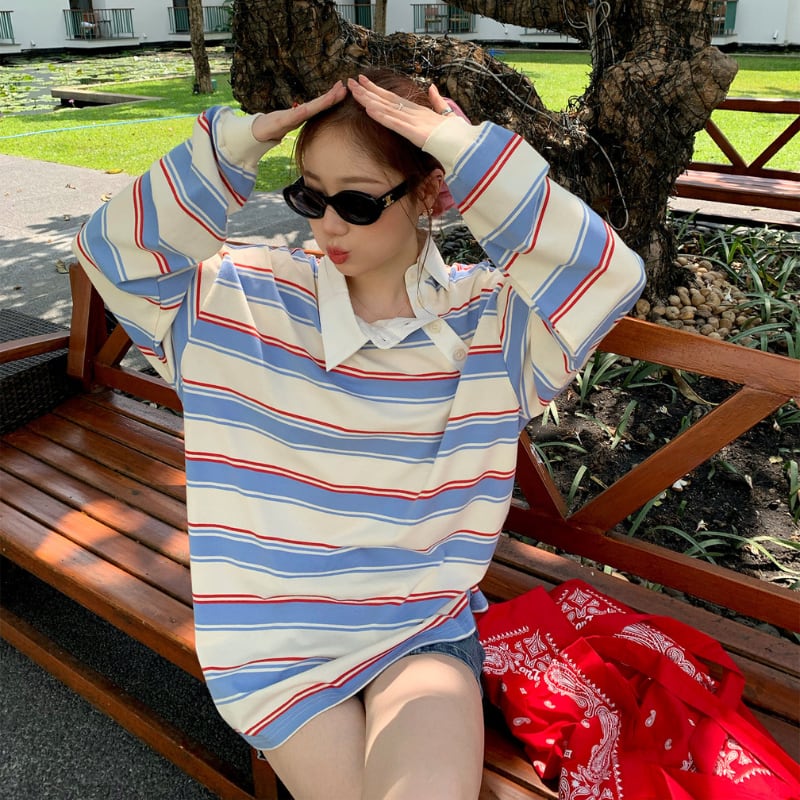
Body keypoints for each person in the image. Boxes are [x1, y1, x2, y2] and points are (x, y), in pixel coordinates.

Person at [73, 68, 645, 800]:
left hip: (418, 626)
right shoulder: (237, 303)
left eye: (357, 201)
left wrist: (467, 153)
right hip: (274, 639)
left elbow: (608, 276)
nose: (328, 224)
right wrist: (234, 147)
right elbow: (112, 252)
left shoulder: (491, 326)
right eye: (310, 195)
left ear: (432, 194)